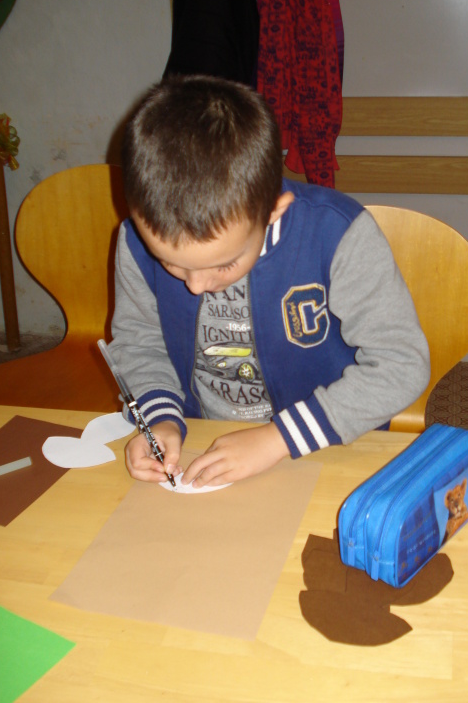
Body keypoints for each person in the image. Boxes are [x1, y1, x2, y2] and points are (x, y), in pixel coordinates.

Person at [108, 74, 430, 489]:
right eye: (171, 263)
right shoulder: (135, 242)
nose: (196, 286)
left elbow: (401, 364)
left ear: (273, 212)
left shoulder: (337, 235)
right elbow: (139, 345)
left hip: (326, 440)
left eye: (224, 264)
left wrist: (279, 438)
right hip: (201, 439)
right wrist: (160, 418)